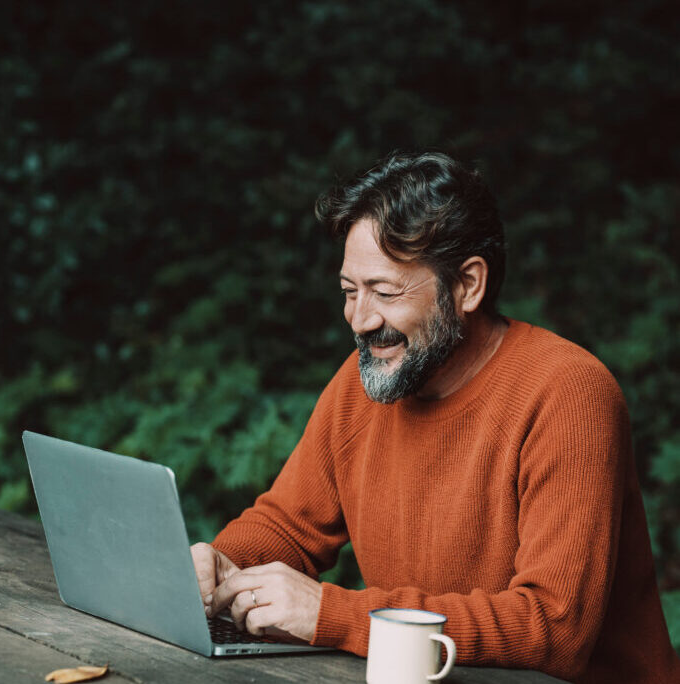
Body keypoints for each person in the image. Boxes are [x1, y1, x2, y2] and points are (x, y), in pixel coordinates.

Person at [190, 152, 679, 682]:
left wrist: (332, 615)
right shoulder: (362, 382)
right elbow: (288, 524)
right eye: (349, 292)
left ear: (467, 285)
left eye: (385, 291)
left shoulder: (568, 393)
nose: (360, 319)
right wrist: (216, 565)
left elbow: (553, 628)